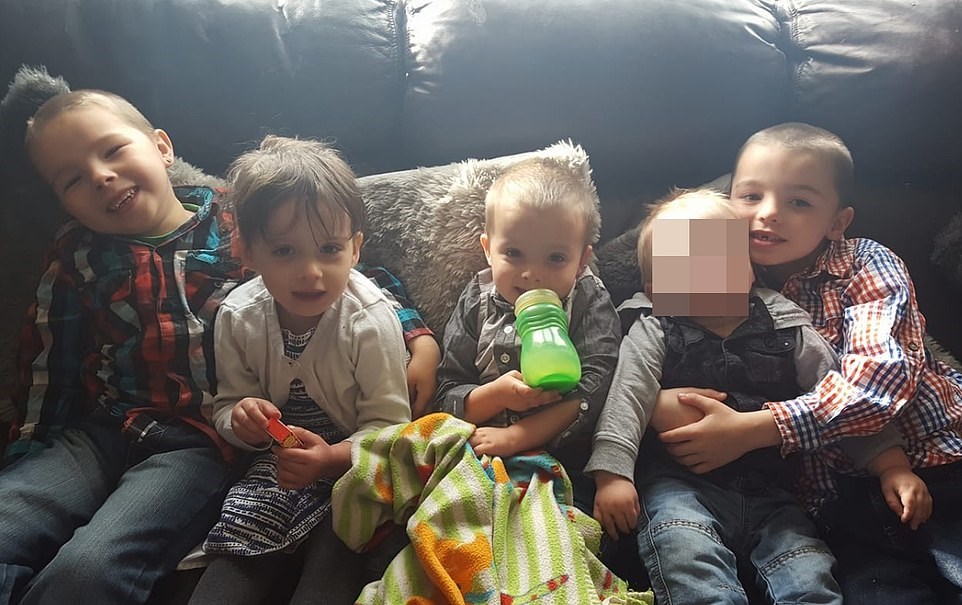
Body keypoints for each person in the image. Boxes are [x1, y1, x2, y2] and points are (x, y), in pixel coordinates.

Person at [657, 122, 962, 603]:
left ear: (837, 222)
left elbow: (878, 383)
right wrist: (655, 403)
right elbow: (651, 318)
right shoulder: (718, 278)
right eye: (750, 196)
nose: (768, 214)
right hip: (832, 507)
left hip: (935, 458)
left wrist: (755, 428)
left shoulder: (866, 264)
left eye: (799, 202)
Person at [586, 189, 931, 604]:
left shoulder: (787, 325)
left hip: (775, 493)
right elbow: (626, 398)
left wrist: (891, 465)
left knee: (807, 570)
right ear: (656, 291)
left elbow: (837, 397)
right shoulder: (653, 329)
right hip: (679, 487)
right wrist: (613, 475)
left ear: (750, 271)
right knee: (685, 551)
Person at [0, 89, 250, 604]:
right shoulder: (76, 254)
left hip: (198, 443)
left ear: (162, 147)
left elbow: (332, 271)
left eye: (113, 150)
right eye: (72, 180)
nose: (100, 176)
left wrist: (412, 333)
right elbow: (49, 366)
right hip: (102, 431)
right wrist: (27, 456)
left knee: (85, 572)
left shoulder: (240, 221)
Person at [186, 136, 414, 605]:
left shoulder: (370, 320)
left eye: (329, 249)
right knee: (233, 566)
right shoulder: (238, 316)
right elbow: (227, 405)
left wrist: (330, 459)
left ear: (355, 249)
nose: (311, 271)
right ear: (248, 252)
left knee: (334, 565)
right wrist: (243, 421)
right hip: (278, 466)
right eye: (285, 251)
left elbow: (391, 429)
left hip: (352, 468)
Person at [432, 156, 621, 502]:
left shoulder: (588, 300)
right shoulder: (477, 299)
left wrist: (518, 436)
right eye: (514, 253)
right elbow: (446, 392)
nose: (532, 274)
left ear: (581, 261)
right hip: (479, 455)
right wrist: (497, 395)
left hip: (563, 461)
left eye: (555, 258)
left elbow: (597, 387)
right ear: (488, 250)